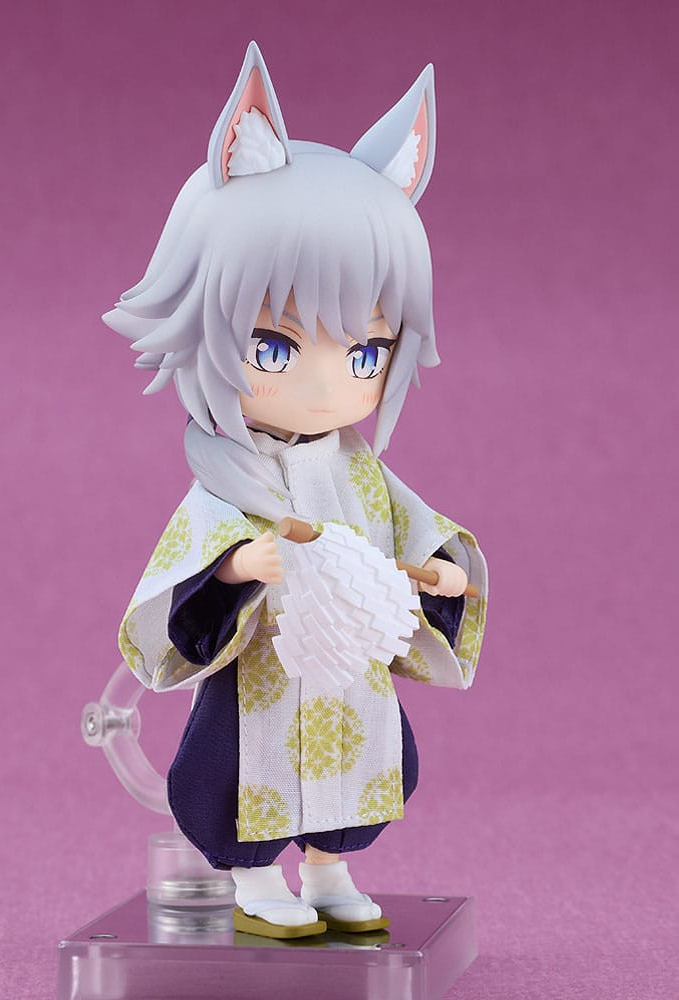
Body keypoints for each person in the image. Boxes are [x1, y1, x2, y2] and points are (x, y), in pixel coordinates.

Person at [104, 42, 487, 939]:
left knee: (363, 761)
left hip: (345, 662)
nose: (326, 384)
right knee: (243, 763)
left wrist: (436, 573)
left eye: (366, 352)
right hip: (268, 666)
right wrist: (238, 566)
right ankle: (252, 876)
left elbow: (409, 531)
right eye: (274, 347)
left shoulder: (358, 472)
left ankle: (329, 865)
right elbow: (182, 571)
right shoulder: (228, 477)